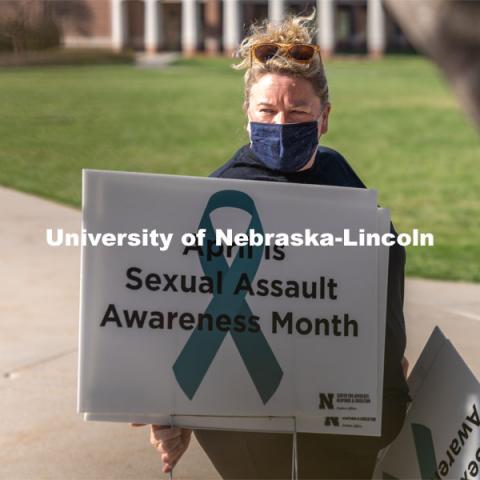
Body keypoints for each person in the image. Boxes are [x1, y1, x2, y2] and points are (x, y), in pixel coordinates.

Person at [133, 11, 411, 479]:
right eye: (267, 111)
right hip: (255, 423)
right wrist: (169, 411)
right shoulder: (222, 200)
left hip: (348, 413)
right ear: (247, 115)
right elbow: (174, 308)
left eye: (298, 111)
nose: (281, 123)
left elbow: (376, 269)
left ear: (324, 118)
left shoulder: (338, 173)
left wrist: (387, 349)